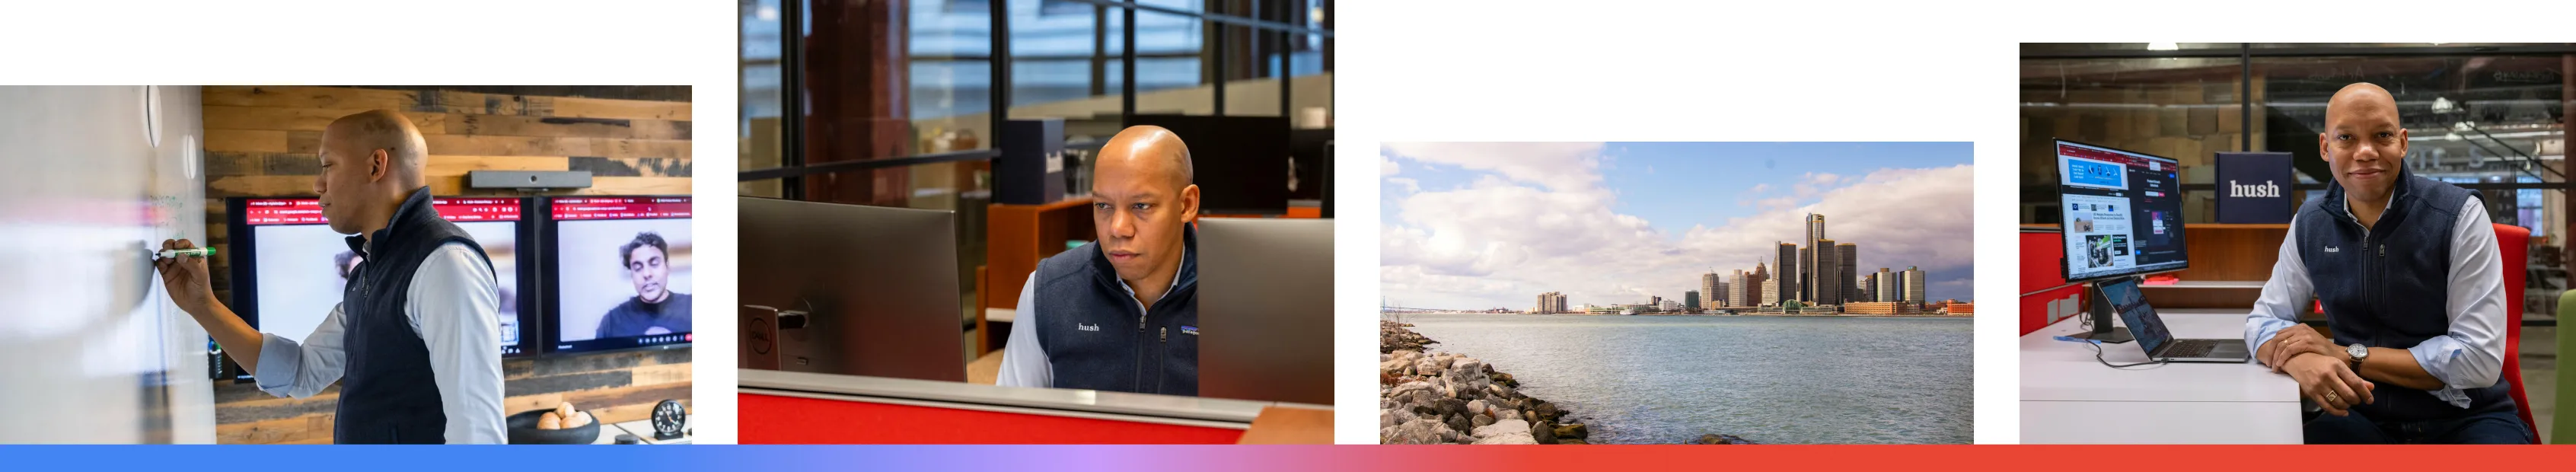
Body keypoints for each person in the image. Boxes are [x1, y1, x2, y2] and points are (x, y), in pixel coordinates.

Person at [155, 110, 505, 444]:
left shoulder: (445, 265)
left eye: (328, 165)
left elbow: (477, 436)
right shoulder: (371, 270)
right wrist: (203, 305)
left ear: (375, 166)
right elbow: (300, 373)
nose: (317, 184)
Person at [2242, 82, 2530, 444]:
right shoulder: (2310, 222)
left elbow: (2479, 359)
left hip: (2468, 416)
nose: (2365, 152)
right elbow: (2261, 322)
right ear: (2325, 147)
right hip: (2360, 413)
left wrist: (2341, 355)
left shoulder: (2460, 214)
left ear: (2403, 142)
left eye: (2382, 135)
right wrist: (2298, 360)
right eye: (2346, 137)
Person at [996, 126, 1200, 395]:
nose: (1117, 228)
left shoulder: (1245, 297)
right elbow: (1014, 423)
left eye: (1141, 206)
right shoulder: (1047, 291)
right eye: (1103, 206)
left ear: (1186, 205)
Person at [595, 231, 691, 337]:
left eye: (654, 264)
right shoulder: (612, 322)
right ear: (632, 274)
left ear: (667, 266)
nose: (646, 274)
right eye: (638, 268)